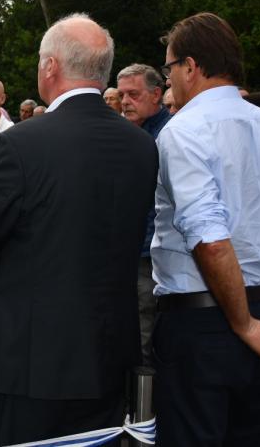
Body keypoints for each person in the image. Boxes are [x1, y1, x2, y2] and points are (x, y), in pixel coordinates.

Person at [0, 14, 158, 446]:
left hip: (30, 360)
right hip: (110, 354)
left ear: (50, 67)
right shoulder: (140, 145)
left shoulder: (23, 142)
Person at [152, 13, 260, 445]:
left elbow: (210, 239)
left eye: (169, 68)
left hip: (206, 323)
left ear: (190, 66)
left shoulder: (183, 130)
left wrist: (243, 323)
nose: (170, 80)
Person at [116, 63, 172, 365]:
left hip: (150, 254)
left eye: (133, 94)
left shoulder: (168, 135)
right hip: (131, 250)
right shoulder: (129, 132)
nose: (125, 101)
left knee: (144, 333)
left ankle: (143, 408)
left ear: (156, 94)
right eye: (122, 94)